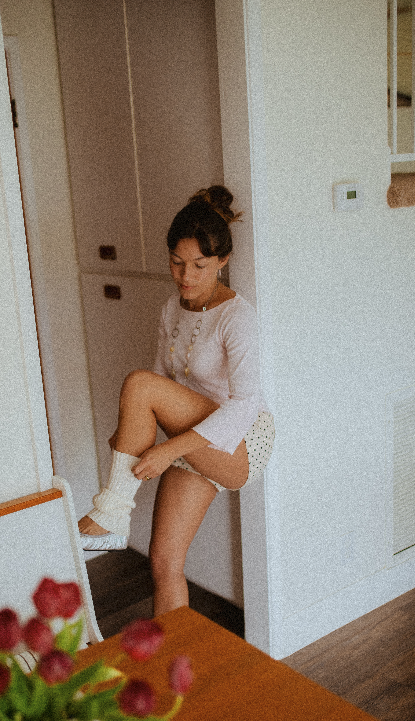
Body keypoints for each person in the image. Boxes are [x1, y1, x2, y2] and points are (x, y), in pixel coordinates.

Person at [78, 186, 274, 616]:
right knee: (164, 562)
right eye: (177, 263)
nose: (186, 277)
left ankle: (110, 512)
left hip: (239, 440)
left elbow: (242, 406)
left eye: (199, 266)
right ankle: (174, 679)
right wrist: (128, 431)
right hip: (190, 435)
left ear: (222, 262)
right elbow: (161, 378)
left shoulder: (238, 317)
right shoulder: (172, 307)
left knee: (138, 383)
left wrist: (167, 449)